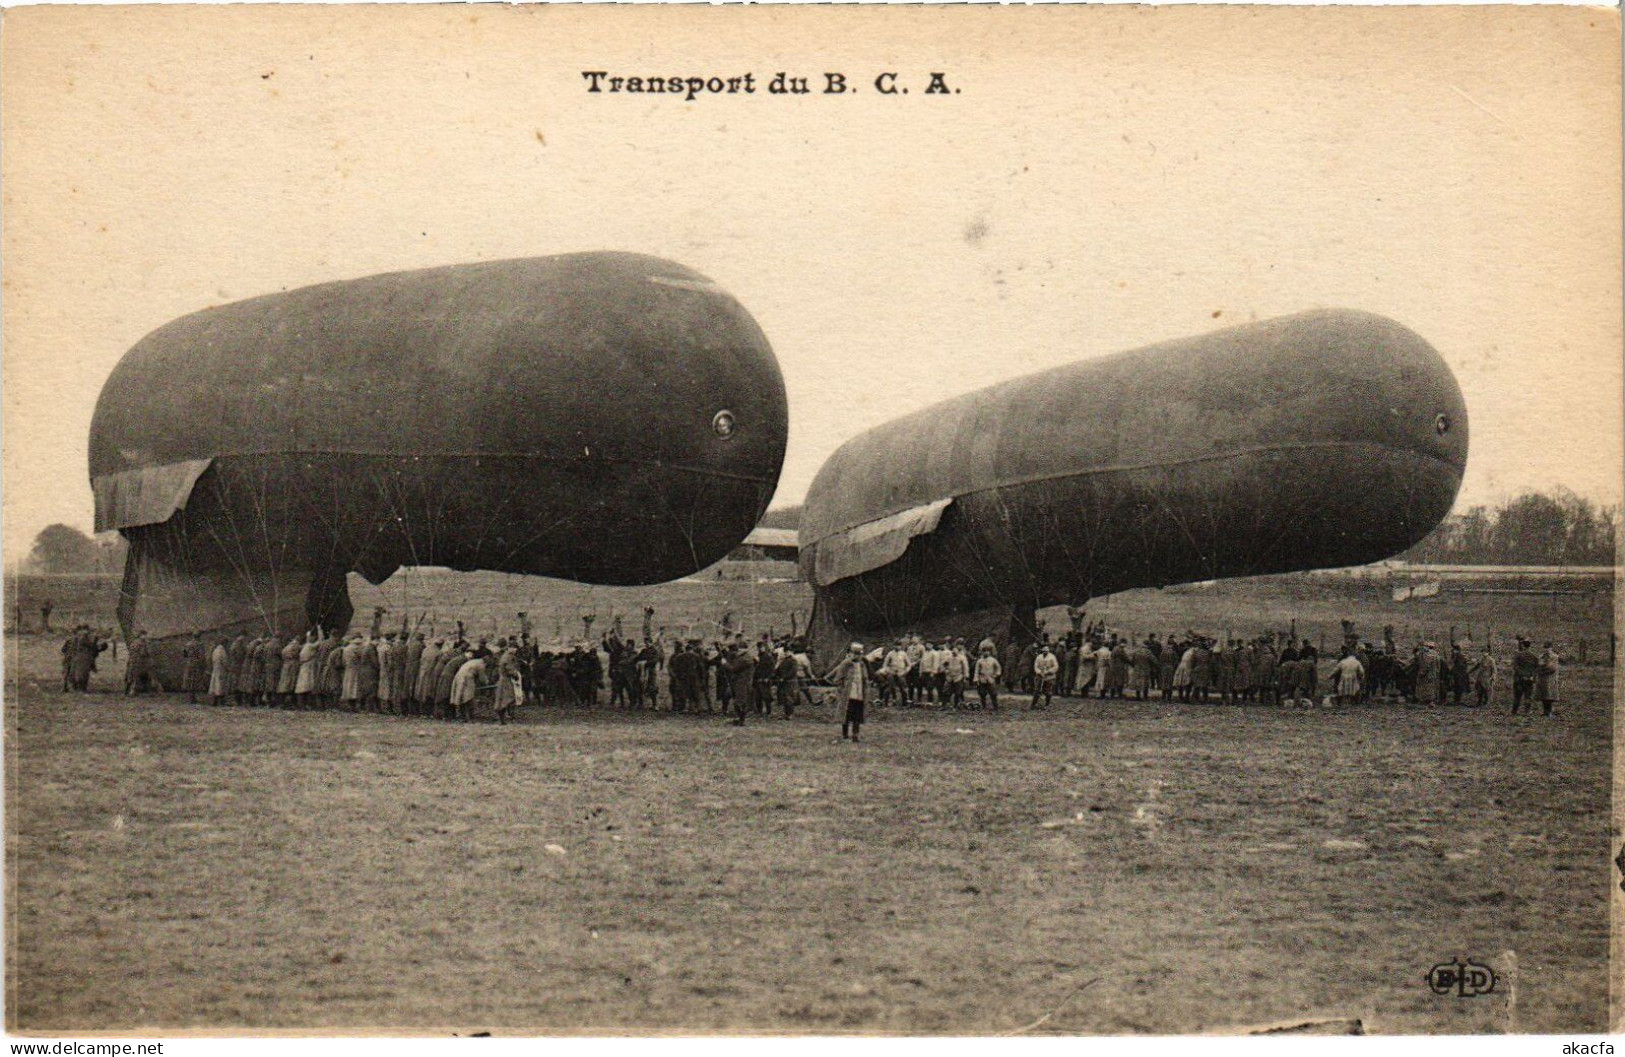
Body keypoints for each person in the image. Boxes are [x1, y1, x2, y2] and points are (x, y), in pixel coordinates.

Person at [826, 643, 870, 742]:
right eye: (855, 654)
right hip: (848, 694)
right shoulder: (846, 663)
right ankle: (845, 735)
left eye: (859, 654)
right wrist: (842, 690)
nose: (857, 656)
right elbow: (837, 679)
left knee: (857, 715)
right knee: (846, 715)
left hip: (859, 694)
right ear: (851, 653)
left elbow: (865, 678)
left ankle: (855, 734)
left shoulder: (862, 665)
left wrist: (866, 688)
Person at [1510, 638, 1538, 715]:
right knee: (1528, 696)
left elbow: (1515, 667)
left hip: (1519, 679)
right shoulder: (1534, 656)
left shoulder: (1518, 655)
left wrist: (1523, 675)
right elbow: (1536, 668)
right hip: (1529, 680)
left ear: (1523, 646)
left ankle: (1514, 711)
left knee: (1517, 696)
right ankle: (1527, 711)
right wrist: (1532, 677)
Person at [974, 645, 1002, 711]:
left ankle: (995, 706)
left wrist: (996, 674)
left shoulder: (993, 660)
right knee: (982, 693)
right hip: (982, 678)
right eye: (984, 651)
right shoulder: (980, 661)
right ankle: (983, 706)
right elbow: (976, 670)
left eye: (987, 651)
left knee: (993, 693)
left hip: (991, 678)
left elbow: (998, 668)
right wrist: (976, 679)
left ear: (989, 652)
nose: (986, 653)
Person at [1031, 644, 1059, 709]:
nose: (1045, 653)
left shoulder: (1052, 657)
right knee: (1037, 690)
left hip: (1049, 676)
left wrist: (1048, 671)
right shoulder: (1039, 657)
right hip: (1040, 676)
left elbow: (1056, 666)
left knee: (1048, 691)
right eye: (1043, 651)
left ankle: (1047, 704)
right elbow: (1036, 666)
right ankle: (1034, 704)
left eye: (1046, 651)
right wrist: (1039, 672)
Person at [1537, 643, 1560, 717]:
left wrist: (1542, 670)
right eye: (1545, 648)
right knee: (1544, 696)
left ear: (1551, 648)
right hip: (1542, 679)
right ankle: (1545, 712)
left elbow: (1552, 668)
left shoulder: (1554, 657)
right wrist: (1542, 669)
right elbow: (1538, 666)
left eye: (1548, 648)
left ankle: (1549, 712)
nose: (1546, 650)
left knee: (1550, 696)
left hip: (1550, 679)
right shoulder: (1541, 656)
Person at [1469, 645, 1496, 709]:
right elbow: (1476, 666)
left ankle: (1486, 703)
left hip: (1487, 678)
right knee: (1479, 690)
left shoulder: (1491, 660)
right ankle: (1479, 702)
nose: (1483, 653)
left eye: (1485, 652)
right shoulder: (1481, 659)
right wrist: (1469, 672)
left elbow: (1494, 670)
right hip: (1480, 677)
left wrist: (1493, 677)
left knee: (1486, 690)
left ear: (1488, 652)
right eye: (1483, 652)